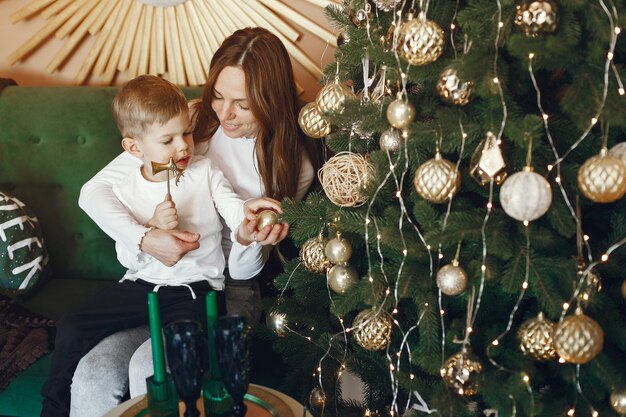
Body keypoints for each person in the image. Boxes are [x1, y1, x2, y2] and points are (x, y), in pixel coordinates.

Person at [68, 27, 319, 417]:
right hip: (155, 275)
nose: (224, 114)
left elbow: (243, 269)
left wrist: (247, 238)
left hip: (222, 286)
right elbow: (95, 192)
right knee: (92, 372)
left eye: (242, 104)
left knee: (149, 369)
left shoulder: (292, 166)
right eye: (218, 95)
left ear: (271, 101)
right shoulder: (189, 122)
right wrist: (145, 238)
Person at [40, 74, 283, 417]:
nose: (183, 146)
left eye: (185, 132)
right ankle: (53, 409)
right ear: (135, 148)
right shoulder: (124, 187)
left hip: (195, 290)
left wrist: (246, 216)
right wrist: (149, 228)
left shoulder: (204, 171)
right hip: (141, 287)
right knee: (72, 325)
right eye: (167, 140)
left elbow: (231, 206)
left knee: (155, 363)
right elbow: (127, 255)